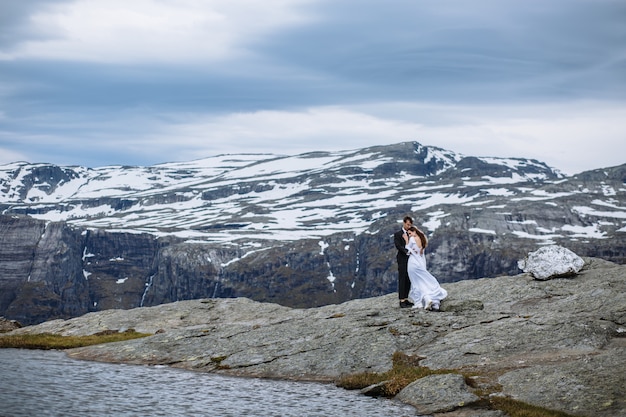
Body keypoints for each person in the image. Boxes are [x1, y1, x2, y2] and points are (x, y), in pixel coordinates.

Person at [403, 226, 447, 311]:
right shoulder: (423, 239)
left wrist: (406, 240)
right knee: (423, 281)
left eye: (410, 233)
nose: (409, 235)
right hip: (420, 262)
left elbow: (408, 248)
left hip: (413, 262)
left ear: (414, 231)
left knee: (415, 282)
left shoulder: (412, 239)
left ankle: (419, 302)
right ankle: (432, 301)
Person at [394, 216, 414, 308]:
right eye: (407, 224)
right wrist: (406, 251)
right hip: (402, 259)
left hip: (410, 259)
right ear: (404, 223)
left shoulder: (411, 233)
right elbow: (398, 246)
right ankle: (401, 300)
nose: (409, 226)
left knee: (408, 279)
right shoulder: (398, 234)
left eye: (410, 225)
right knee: (402, 279)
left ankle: (406, 298)